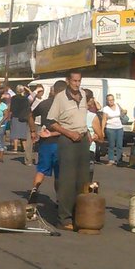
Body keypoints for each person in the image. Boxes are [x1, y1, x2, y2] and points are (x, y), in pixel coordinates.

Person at [45, 70, 92, 230]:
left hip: (83, 139)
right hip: (68, 139)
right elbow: (51, 121)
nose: (77, 84)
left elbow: (83, 117)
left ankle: (80, 215)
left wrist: (88, 133)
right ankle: (64, 218)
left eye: (79, 81)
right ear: (68, 81)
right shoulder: (60, 98)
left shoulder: (84, 94)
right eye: (74, 81)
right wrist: (69, 133)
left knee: (84, 179)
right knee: (68, 180)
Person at [27, 80, 66, 202]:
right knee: (59, 174)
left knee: (41, 170)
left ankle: (34, 189)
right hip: (62, 142)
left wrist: (33, 131)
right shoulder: (66, 105)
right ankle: (59, 199)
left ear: (54, 90)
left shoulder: (44, 104)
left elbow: (30, 115)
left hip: (46, 142)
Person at [8, 85, 32, 164]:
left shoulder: (14, 98)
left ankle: (15, 148)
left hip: (15, 116)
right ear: (23, 91)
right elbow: (27, 108)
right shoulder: (25, 99)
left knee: (15, 132)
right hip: (23, 117)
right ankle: (24, 148)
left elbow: (11, 108)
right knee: (23, 133)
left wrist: (10, 115)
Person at [100, 93, 125, 165]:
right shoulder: (105, 109)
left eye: (112, 100)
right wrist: (102, 131)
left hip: (119, 128)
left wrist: (124, 111)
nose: (111, 101)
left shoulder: (117, 105)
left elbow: (123, 113)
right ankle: (111, 160)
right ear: (107, 101)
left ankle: (119, 160)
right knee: (111, 145)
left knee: (119, 145)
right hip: (110, 128)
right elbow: (104, 120)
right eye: (109, 100)